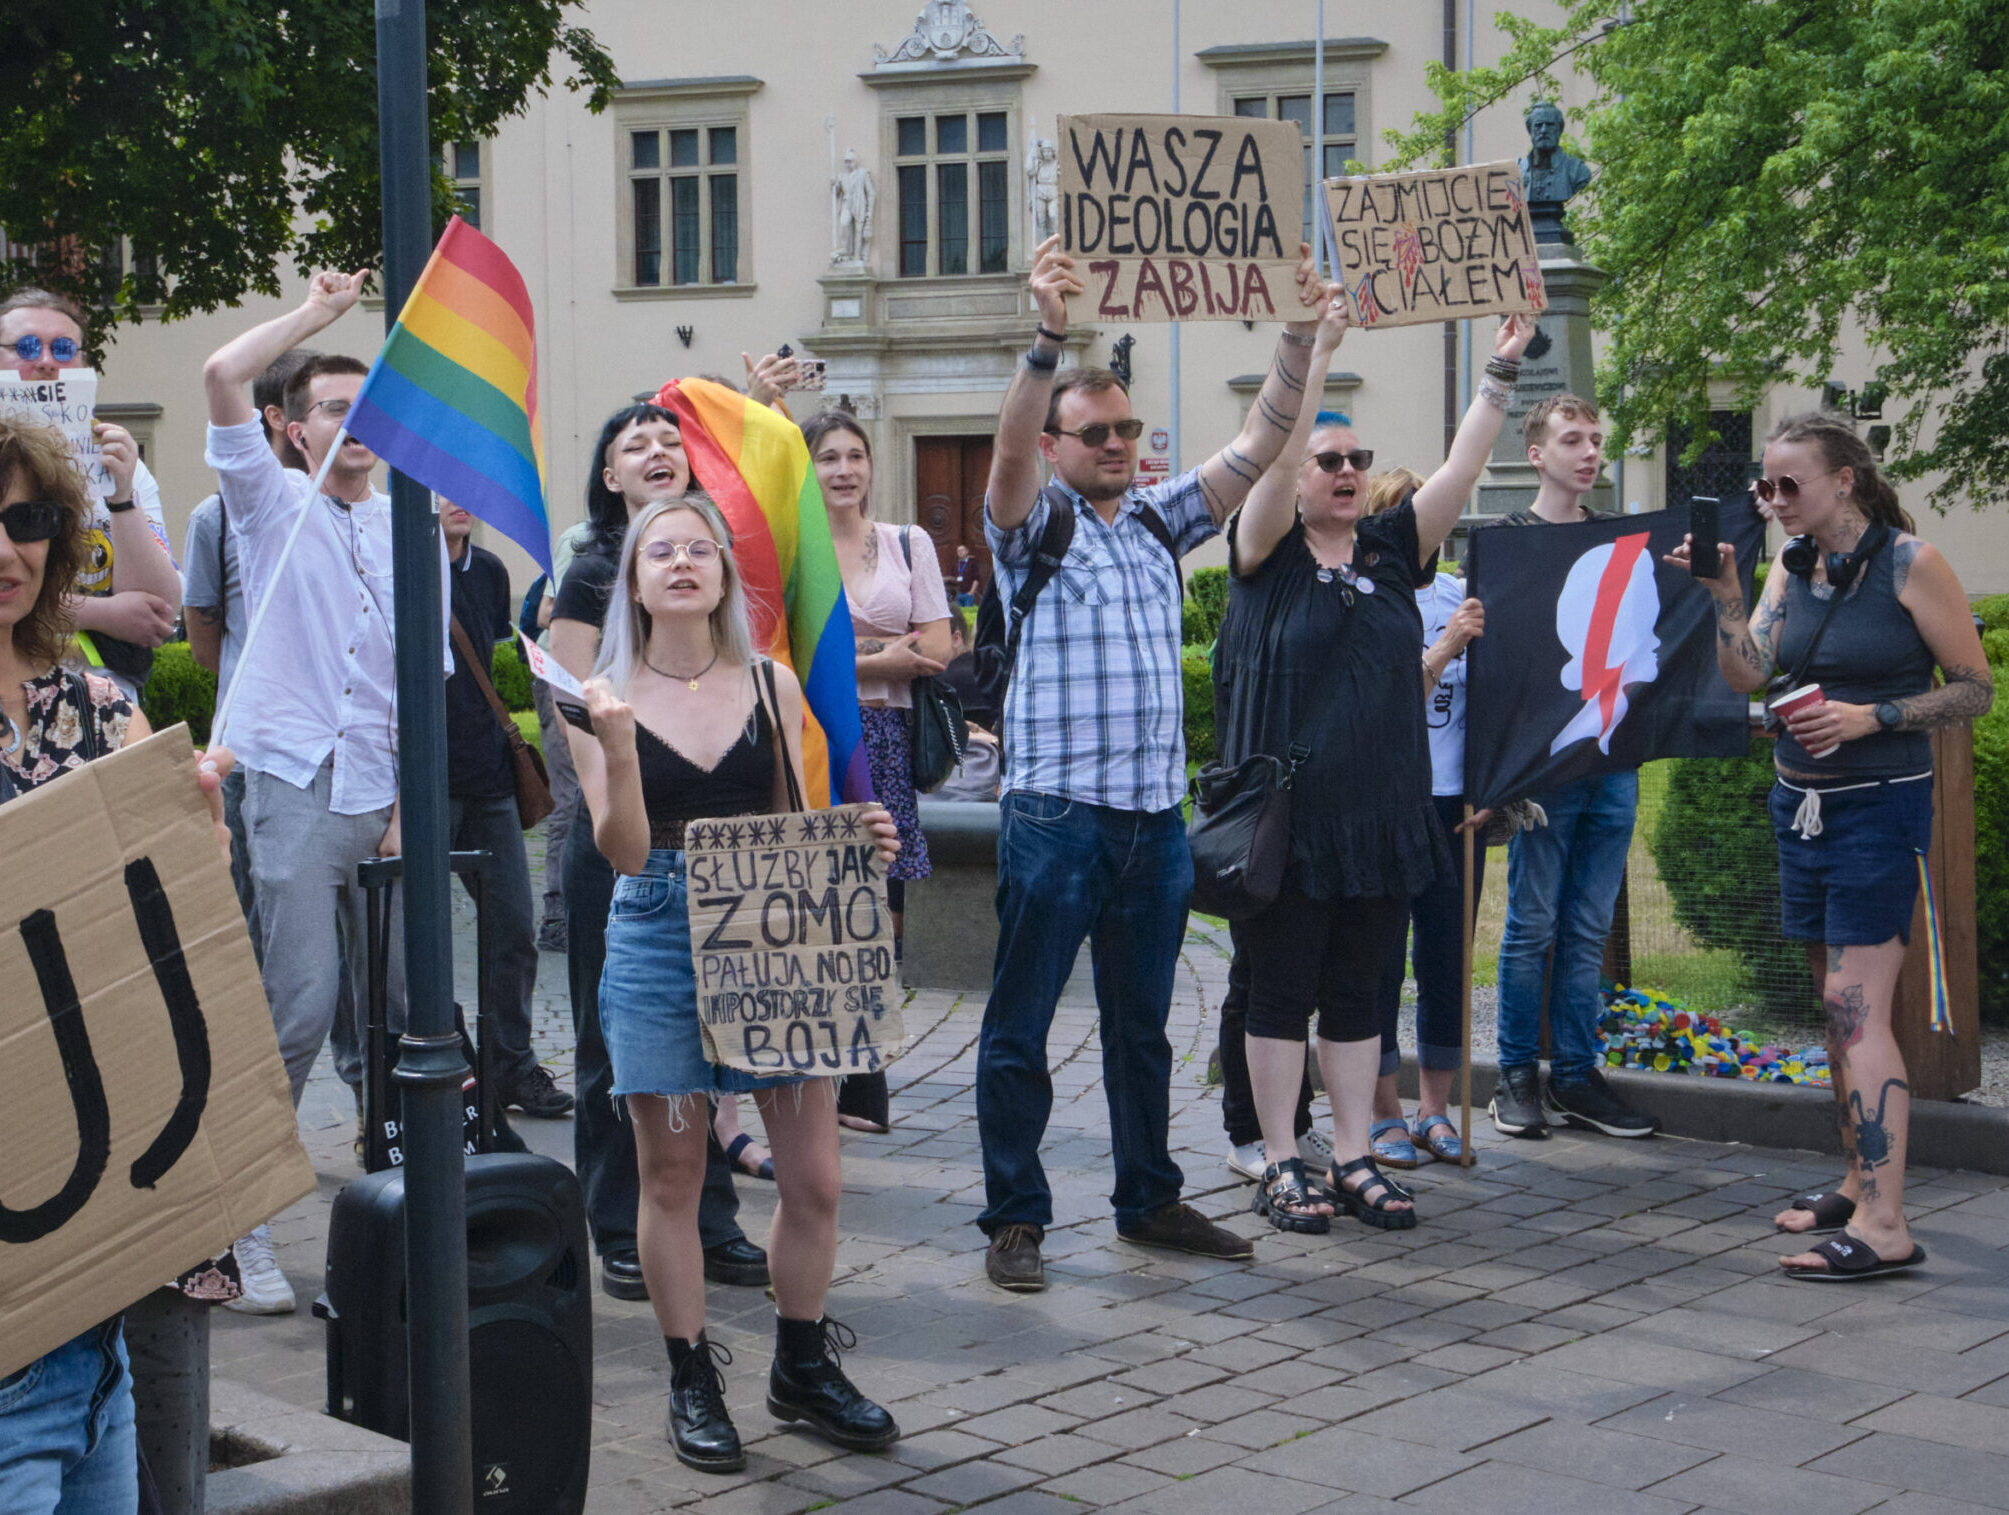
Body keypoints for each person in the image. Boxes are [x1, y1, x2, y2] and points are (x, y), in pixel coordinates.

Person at [973, 234, 1328, 1292]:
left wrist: (1299, 339)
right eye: (1097, 433)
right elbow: (999, 461)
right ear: (1057, 444)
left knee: (1141, 1028)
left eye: (1128, 427)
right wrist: (1046, 336)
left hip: (1148, 825)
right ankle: (1015, 1217)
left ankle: (1148, 1199)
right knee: (1019, 1027)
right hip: (1053, 820)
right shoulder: (1031, 524)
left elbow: (1260, 444)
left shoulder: (1161, 527)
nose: (1120, 443)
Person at [567, 494, 902, 1471]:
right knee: (672, 1173)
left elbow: (793, 821)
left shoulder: (771, 684)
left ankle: (799, 1364)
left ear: (722, 572)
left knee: (815, 1180)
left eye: (698, 549)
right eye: (658, 550)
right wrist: (621, 750)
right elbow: (623, 853)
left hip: (768, 922)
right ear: (633, 579)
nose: (680, 562)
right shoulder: (597, 699)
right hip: (656, 929)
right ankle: (689, 1376)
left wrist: (859, 840)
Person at [1216, 297, 1536, 1234]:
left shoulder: (1395, 549)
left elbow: (1462, 465)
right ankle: (1281, 1158)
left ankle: (1352, 1154)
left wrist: (1502, 369)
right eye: (1332, 461)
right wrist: (1314, 356)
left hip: (1382, 814)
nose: (1348, 471)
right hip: (1291, 818)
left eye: (1358, 459)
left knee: (1361, 993)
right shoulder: (1263, 548)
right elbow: (1274, 453)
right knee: (1279, 991)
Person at [1674, 412, 1992, 1280]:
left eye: (1788, 485)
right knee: (1835, 1005)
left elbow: (1973, 692)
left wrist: (1875, 716)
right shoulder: (1790, 563)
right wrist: (1724, 594)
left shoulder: (1908, 564)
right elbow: (1749, 670)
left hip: (1876, 809)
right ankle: (1856, 1180)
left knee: (1857, 1007)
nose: (1772, 501)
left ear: (1843, 479)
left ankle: (1888, 1223)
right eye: (1763, 487)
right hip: (1799, 805)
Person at [0, 412, 235, 1515]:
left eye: (27, 520)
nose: (7, 550)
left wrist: (203, 836)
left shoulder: (97, 703)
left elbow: (178, 927)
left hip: (111, 1246)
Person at [549, 402, 767, 1301]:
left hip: (714, 850)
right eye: (633, 444)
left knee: (710, 1045)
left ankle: (709, 1220)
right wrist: (615, 795)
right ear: (609, 478)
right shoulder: (590, 572)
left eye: (670, 440)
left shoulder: (705, 556)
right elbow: (569, 710)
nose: (656, 451)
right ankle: (617, 1224)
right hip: (621, 839)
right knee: (621, 1050)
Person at [1483, 394, 1661, 1142]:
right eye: (1571, 439)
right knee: (1531, 923)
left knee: (1586, 925)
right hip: (1545, 767)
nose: (1588, 452)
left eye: (1595, 439)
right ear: (1536, 454)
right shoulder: (1508, 543)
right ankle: (1516, 1073)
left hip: (1612, 760)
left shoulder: (1624, 544)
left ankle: (1578, 1074)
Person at [803, 409, 953, 1134]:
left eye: (854, 455)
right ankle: (809, 1068)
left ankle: (865, 1072)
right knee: (813, 905)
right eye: (827, 456)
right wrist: (879, 656)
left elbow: (942, 644)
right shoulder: (794, 546)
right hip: (813, 736)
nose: (843, 469)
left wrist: (853, 656)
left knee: (879, 907)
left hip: (885, 735)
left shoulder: (905, 541)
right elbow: (784, 657)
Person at [1360, 468, 1488, 1169]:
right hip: (1384, 801)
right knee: (1377, 960)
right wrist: (1443, 650)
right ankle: (1381, 1109)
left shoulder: (1459, 597)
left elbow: (1495, 706)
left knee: (1446, 960)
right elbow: (1383, 699)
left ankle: (1434, 1109)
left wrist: (1493, 784)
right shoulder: (1366, 597)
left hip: (1454, 805)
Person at [441, 501, 574, 1119]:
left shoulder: (491, 571)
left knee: (514, 930)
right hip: (420, 783)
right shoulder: (396, 570)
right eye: (438, 487)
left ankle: (510, 1067)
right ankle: (432, 1077)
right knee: (415, 941)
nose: (456, 498)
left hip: (490, 777)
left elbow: (493, 654)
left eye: (462, 485)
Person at [182, 348, 318, 940]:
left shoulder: (355, 512)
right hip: (247, 749)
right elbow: (203, 638)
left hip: (331, 751)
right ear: (276, 417)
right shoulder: (215, 518)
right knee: (242, 913)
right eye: (317, 405)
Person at [0, 287, 182, 703]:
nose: (46, 362)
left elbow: (159, 610)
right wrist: (102, 613)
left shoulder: (116, 459)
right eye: (26, 347)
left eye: (64, 348)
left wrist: (121, 496)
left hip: (104, 698)